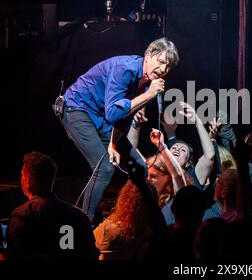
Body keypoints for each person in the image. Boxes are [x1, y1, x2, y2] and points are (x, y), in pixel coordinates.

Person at [60, 37, 179, 222]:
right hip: (77, 109)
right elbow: (113, 114)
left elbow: (125, 117)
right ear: (148, 55)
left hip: (100, 116)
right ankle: (83, 224)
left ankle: (137, 219)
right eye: (161, 61)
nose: (163, 70)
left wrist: (114, 144)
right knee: (104, 168)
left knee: (141, 166)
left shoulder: (148, 82)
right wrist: (148, 95)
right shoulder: (125, 69)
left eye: (168, 67)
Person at [6, 152, 98, 260]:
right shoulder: (78, 215)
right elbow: (90, 254)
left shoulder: (22, 215)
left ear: (27, 181)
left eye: (22, 176)